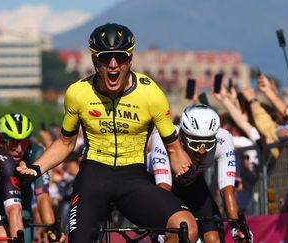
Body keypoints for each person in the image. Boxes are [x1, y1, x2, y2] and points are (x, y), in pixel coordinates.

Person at [17, 23, 198, 243]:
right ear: (95, 61)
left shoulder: (151, 94)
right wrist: (36, 168)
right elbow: (65, 143)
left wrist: (187, 170)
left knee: (185, 227)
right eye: (105, 58)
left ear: (130, 59)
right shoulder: (78, 93)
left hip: (134, 179)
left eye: (120, 58)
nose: (113, 65)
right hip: (93, 177)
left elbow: (174, 148)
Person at [147, 104, 252, 242]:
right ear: (182, 136)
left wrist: (236, 227)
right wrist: (162, 228)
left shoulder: (224, 139)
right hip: (159, 188)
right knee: (183, 235)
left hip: (194, 185)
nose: (201, 151)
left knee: (215, 240)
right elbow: (164, 188)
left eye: (208, 145)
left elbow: (227, 190)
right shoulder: (163, 138)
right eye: (195, 144)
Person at [0, 113, 64, 243]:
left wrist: (51, 228)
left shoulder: (36, 152)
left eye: (24, 142)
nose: (19, 149)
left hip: (22, 209)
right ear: (2, 141)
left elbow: (42, 195)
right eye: (13, 143)